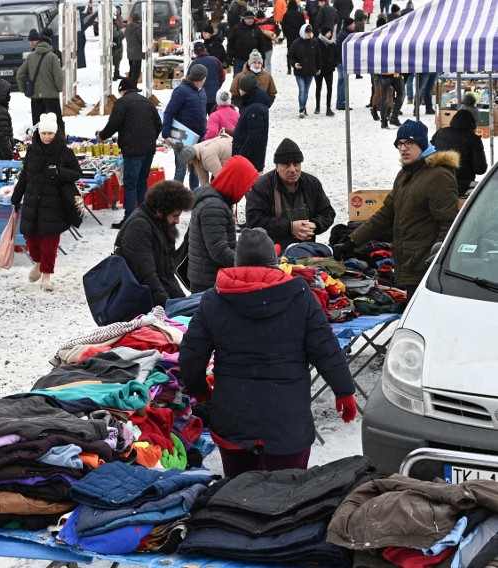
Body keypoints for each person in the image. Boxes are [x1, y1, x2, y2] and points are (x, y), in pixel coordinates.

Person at [180, 227, 356, 478]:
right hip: (288, 422)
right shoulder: (301, 296)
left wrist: (199, 389)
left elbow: (191, 355)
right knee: (286, 500)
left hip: (233, 419)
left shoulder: (214, 300)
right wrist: (344, 390)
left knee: (240, 498)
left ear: (236, 261)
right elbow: (326, 349)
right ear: (273, 262)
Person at [334, 121, 460, 295]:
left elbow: (448, 224)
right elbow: (385, 214)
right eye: (399, 144)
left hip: (424, 270)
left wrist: (436, 262)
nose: (403, 148)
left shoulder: (438, 175)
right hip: (406, 265)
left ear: (422, 144)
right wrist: (352, 241)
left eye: (409, 142)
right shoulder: (405, 175)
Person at [11, 113, 82, 292]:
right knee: (31, 237)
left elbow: (76, 173)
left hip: (54, 205)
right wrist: (16, 197)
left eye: (50, 133)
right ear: (39, 133)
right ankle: (37, 262)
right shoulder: (32, 150)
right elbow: (24, 176)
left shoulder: (65, 152)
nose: (47, 136)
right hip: (32, 202)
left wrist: (59, 172)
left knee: (49, 242)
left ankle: (47, 277)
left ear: (56, 133)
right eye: (44, 133)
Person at [245, 138, 336, 249]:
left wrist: (314, 225)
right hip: (271, 252)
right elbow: (254, 220)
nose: (293, 169)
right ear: (277, 166)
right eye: (286, 165)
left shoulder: (312, 183)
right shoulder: (262, 186)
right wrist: (290, 227)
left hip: (307, 249)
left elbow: (328, 212)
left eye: (296, 164)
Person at [186, 155, 260, 293]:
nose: (248, 190)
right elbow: (218, 250)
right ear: (235, 181)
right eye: (246, 184)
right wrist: (246, 264)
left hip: (208, 276)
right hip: (208, 281)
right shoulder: (214, 207)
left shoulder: (217, 201)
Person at [114, 180, 193, 307]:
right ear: (160, 211)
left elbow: (168, 274)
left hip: (156, 297)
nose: (178, 221)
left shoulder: (162, 223)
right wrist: (169, 306)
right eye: (175, 216)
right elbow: (147, 276)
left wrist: (182, 302)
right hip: (139, 303)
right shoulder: (138, 227)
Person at [97, 77, 162, 229]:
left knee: (131, 184)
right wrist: (150, 138)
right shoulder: (147, 102)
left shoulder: (122, 103)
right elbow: (158, 124)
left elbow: (113, 124)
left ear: (122, 90)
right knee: (141, 183)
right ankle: (145, 217)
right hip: (148, 149)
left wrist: (101, 136)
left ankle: (130, 220)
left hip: (133, 150)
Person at [162, 64, 208, 190]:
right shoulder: (181, 91)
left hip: (198, 138)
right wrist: (166, 134)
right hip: (182, 138)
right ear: (200, 78)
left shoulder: (202, 91)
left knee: (196, 169)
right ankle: (176, 199)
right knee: (181, 169)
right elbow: (169, 112)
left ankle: (194, 196)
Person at [431, 110, 487, 197]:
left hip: (438, 181)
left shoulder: (441, 132)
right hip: (462, 188)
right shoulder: (473, 139)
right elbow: (480, 169)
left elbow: (430, 152)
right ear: (472, 123)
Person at [16, 32, 64, 133]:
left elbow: (20, 75)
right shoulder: (53, 57)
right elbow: (58, 76)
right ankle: (59, 143)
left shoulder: (30, 57)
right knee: (56, 123)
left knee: (38, 124)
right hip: (52, 97)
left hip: (36, 97)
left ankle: (38, 145)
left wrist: (24, 90)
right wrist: (58, 89)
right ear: (49, 45)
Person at [232, 74, 271, 172]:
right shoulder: (252, 103)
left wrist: (241, 156)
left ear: (244, 90)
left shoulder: (255, 109)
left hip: (249, 160)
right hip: (248, 159)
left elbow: (254, 137)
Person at [287, 23, 321, 118]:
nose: (308, 34)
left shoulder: (314, 43)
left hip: (310, 71)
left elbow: (318, 57)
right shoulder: (295, 43)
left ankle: (304, 107)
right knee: (302, 89)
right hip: (300, 71)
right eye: (307, 32)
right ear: (302, 32)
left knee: (306, 90)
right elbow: (290, 56)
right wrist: (294, 64)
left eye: (310, 32)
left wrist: (318, 68)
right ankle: (301, 108)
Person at [187, 42, 225, 114]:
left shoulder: (194, 63)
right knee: (214, 119)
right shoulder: (216, 60)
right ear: (205, 49)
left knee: (201, 121)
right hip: (214, 96)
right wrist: (216, 86)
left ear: (195, 52)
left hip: (199, 97)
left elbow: (188, 80)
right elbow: (222, 77)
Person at [315, 26, 337, 116]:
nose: (330, 34)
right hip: (319, 69)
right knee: (318, 87)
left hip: (329, 69)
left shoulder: (332, 43)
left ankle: (328, 108)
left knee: (329, 88)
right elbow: (315, 55)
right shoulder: (317, 42)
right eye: (328, 32)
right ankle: (317, 106)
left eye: (330, 32)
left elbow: (336, 54)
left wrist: (334, 63)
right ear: (324, 33)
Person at [335, 18, 356, 110]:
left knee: (342, 82)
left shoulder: (343, 33)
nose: (354, 25)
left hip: (341, 61)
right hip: (342, 62)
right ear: (348, 25)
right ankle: (341, 103)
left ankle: (341, 102)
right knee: (343, 83)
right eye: (353, 24)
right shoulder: (345, 35)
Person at [282, 0, 305, 75]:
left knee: (289, 51)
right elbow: (303, 25)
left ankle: (289, 68)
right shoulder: (300, 14)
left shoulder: (286, 15)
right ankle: (299, 66)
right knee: (299, 51)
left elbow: (283, 26)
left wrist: (286, 34)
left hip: (290, 35)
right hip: (298, 35)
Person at [125, 13, 143, 84]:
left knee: (131, 70)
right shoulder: (138, 29)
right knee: (136, 72)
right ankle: (134, 87)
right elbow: (142, 40)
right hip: (137, 54)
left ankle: (129, 86)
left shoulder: (127, 27)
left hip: (130, 52)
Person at [111, 6, 124, 80]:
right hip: (115, 42)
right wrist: (121, 31)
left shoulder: (119, 18)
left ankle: (116, 73)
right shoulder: (112, 22)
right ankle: (114, 74)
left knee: (118, 58)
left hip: (119, 41)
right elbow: (114, 33)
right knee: (114, 58)